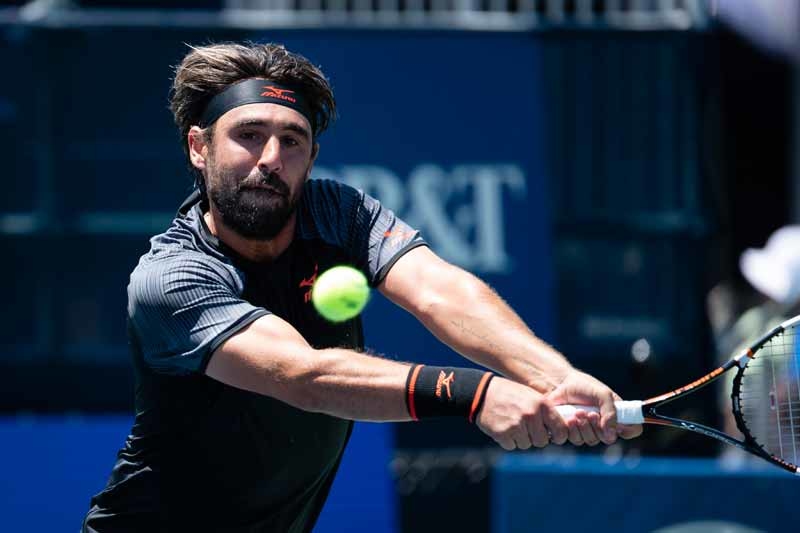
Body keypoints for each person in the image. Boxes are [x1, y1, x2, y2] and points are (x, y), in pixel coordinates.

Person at [82, 42, 641, 532]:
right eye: (248, 136)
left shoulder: (339, 213)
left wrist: (554, 376)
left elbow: (438, 291)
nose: (271, 159)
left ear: (311, 158)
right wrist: (476, 394)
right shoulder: (170, 278)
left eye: (292, 140)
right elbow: (304, 376)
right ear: (199, 148)